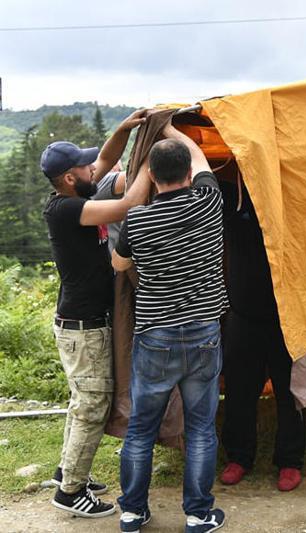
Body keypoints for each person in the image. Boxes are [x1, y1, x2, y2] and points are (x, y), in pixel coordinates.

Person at [112, 124, 228, 533]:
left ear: (153, 176)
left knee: (141, 429)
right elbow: (198, 158)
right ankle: (198, 515)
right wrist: (170, 128)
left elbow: (120, 265)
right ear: (186, 173)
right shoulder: (208, 202)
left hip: (155, 337)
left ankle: (132, 512)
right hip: (203, 333)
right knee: (200, 428)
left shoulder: (137, 220)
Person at [42, 109, 149, 518]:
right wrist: (152, 166)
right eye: (85, 167)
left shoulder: (73, 194)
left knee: (82, 401)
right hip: (83, 327)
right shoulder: (68, 211)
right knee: (91, 404)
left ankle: (67, 471)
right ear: (70, 177)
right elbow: (129, 204)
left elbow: (104, 160)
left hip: (79, 322)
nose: (96, 169)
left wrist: (124, 128)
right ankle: (70, 492)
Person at [218, 179, 306, 492]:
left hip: (287, 318)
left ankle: (290, 461)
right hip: (243, 315)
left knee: (291, 393)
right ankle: (239, 457)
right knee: (240, 393)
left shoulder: (290, 197)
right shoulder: (232, 196)